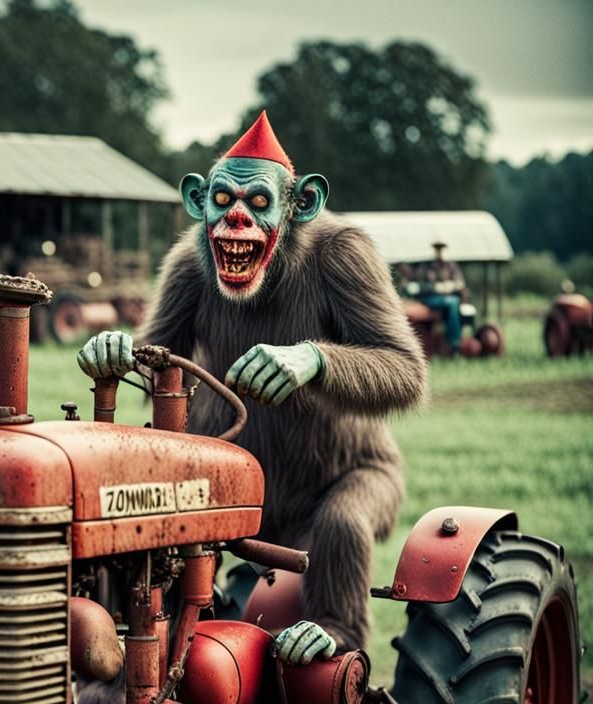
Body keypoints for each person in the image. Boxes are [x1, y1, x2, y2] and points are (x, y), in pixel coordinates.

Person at [78, 112, 426, 669]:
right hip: (231, 486)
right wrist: (115, 358)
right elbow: (159, 369)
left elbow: (406, 373)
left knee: (343, 522)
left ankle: (337, 629)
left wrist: (315, 358)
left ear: (298, 207)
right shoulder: (191, 268)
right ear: (199, 201)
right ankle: (129, 650)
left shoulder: (340, 254)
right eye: (223, 201)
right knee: (137, 511)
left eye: (258, 205)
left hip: (344, 475)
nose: (235, 220)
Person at [403, 241, 468, 354]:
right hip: (431, 299)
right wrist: (435, 287)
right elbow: (418, 286)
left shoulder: (451, 266)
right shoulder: (426, 267)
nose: (440, 252)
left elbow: (460, 283)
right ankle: (454, 341)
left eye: (441, 250)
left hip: (448, 298)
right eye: (437, 250)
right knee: (452, 302)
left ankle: (451, 338)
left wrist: (450, 286)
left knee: (453, 303)